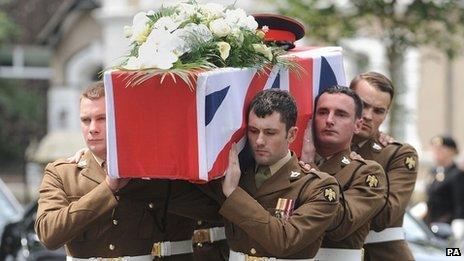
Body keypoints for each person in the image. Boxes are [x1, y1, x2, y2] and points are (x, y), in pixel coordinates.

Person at [35, 81, 218, 260]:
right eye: (85, 120)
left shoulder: (153, 171)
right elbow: (48, 234)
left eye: (102, 119)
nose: (92, 129)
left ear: (121, 119)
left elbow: (216, 211)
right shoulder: (61, 173)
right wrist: (107, 188)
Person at [217, 89, 340, 259]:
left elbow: (285, 241)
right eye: (253, 131)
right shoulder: (238, 176)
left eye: (270, 133)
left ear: (291, 135)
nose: (259, 141)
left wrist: (233, 194)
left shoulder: (318, 186)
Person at [302, 86, 387, 261]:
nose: (329, 120)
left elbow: (341, 224)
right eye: (323, 112)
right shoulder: (292, 164)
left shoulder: (367, 172)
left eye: (341, 114)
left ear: (357, 125)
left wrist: (310, 166)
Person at [349, 72, 418, 261]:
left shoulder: (397, 154)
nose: (368, 116)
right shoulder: (321, 148)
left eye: (379, 111)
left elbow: (384, 217)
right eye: (362, 105)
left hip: (382, 255)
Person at [425, 135, 464, 227]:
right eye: (434, 149)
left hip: (447, 225)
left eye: (441, 150)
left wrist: (458, 222)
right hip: (430, 224)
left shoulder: (457, 174)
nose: (436, 153)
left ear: (452, 152)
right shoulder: (433, 172)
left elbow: (459, 203)